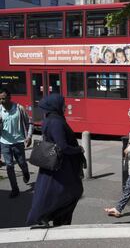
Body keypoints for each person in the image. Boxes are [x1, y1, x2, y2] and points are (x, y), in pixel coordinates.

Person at [26, 94, 85, 227]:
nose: (65, 106)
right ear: (55, 105)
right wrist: (78, 149)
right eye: (63, 104)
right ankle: (53, 218)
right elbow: (63, 146)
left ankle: (58, 219)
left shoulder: (50, 119)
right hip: (61, 166)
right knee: (71, 192)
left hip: (55, 165)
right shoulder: (56, 121)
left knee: (55, 193)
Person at [0, 88, 32, 198]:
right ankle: (15, 189)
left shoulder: (19, 108)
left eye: (3, 99)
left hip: (18, 142)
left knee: (22, 162)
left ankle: (25, 172)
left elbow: (30, 123)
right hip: (4, 143)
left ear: (9, 98)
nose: (1, 101)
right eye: (0, 99)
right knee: (9, 166)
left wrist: (28, 136)